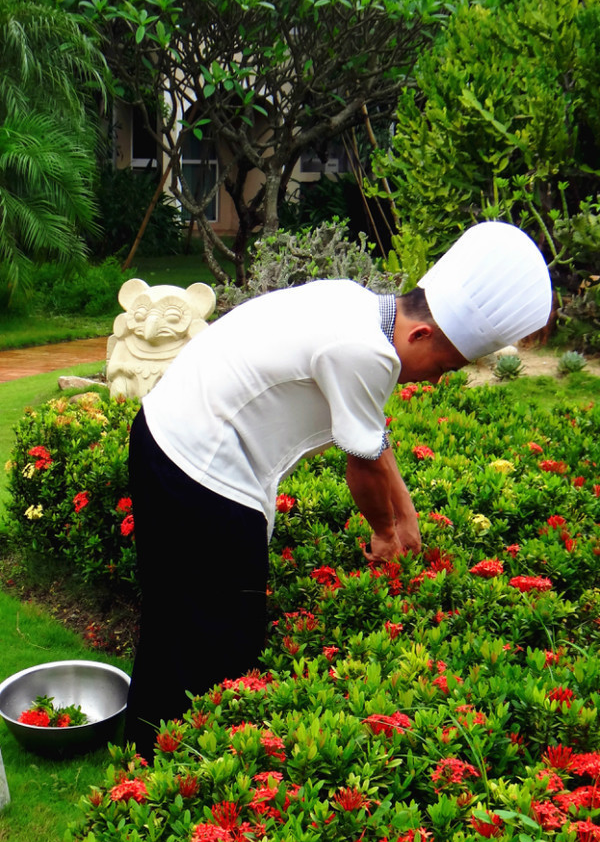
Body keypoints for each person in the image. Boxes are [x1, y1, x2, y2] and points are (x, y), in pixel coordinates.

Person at [124, 221, 552, 758]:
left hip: (160, 433)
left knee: (173, 609)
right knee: (221, 634)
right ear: (421, 335)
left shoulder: (357, 305)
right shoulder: (366, 352)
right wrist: (384, 536)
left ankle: (141, 749)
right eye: (444, 366)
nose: (438, 379)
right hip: (200, 471)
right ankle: (183, 771)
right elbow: (364, 464)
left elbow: (374, 437)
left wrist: (408, 519)